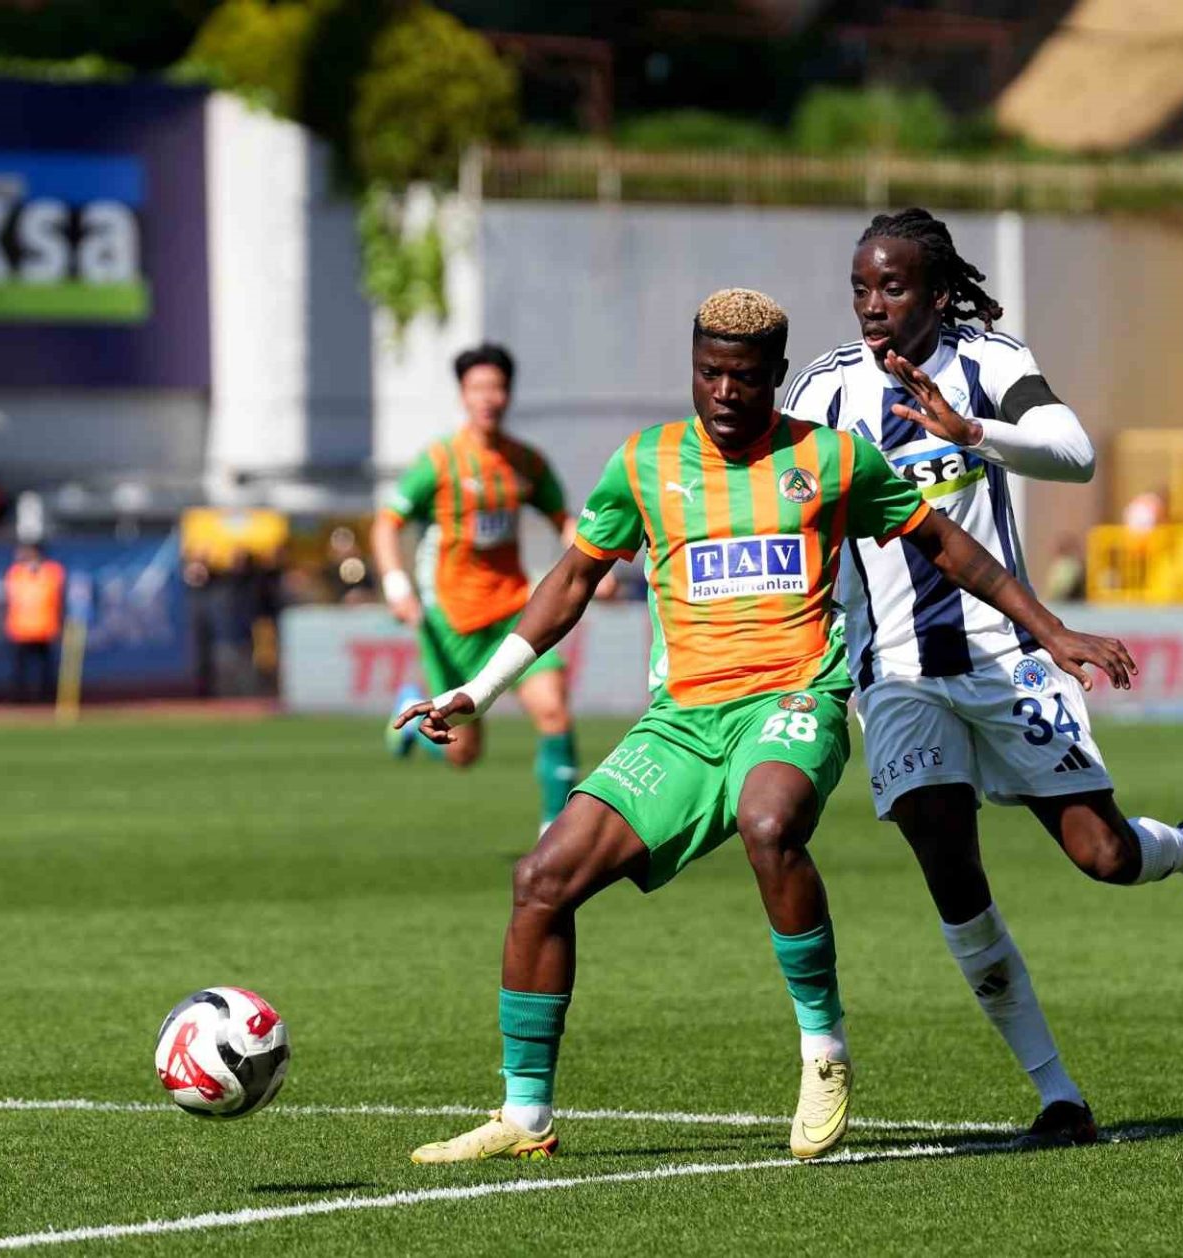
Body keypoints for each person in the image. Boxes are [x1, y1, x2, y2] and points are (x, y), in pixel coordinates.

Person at [393, 289, 1136, 1165]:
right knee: (540, 881)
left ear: (777, 375)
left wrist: (1051, 630)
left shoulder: (831, 459)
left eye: (744, 377)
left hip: (794, 701)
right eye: (708, 372)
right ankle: (525, 1115)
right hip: (681, 723)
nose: (724, 392)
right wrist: (480, 690)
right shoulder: (645, 463)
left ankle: (824, 1050)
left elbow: (946, 544)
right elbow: (570, 582)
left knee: (769, 821)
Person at [783, 208, 1183, 1148]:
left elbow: (1074, 452)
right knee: (950, 871)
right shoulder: (827, 387)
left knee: (1104, 856)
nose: (872, 305)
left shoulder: (989, 361)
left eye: (892, 287)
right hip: (895, 671)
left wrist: (973, 432)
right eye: (860, 289)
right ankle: (1059, 1097)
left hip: (1007, 656)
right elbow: (796, 507)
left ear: (937, 293)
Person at [371, 345, 591, 832]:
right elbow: (387, 524)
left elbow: (563, 519)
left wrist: (599, 563)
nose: (488, 398)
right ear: (463, 395)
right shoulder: (439, 461)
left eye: (497, 387)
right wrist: (396, 585)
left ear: (508, 394)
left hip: (514, 612)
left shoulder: (526, 462)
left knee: (554, 710)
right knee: (463, 753)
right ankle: (410, 716)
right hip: (453, 621)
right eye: (478, 388)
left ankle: (555, 834)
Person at [3, 542, 66, 704]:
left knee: (46, 667)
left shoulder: (52, 572)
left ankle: (46, 698)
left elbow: (57, 596)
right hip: (21, 628)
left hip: (44, 627)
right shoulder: (16, 572)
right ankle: (19, 698)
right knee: (20, 668)